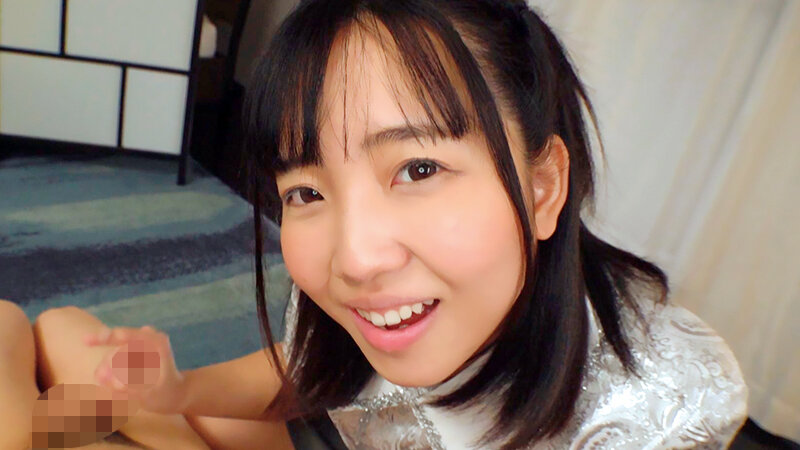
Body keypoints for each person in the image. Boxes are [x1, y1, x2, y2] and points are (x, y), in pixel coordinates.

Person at [0, 0, 747, 448]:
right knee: (62, 334)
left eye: (418, 169)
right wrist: (172, 392)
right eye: (306, 191)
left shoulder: (655, 411)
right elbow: (293, 376)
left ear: (543, 186)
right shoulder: (366, 294)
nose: (354, 259)